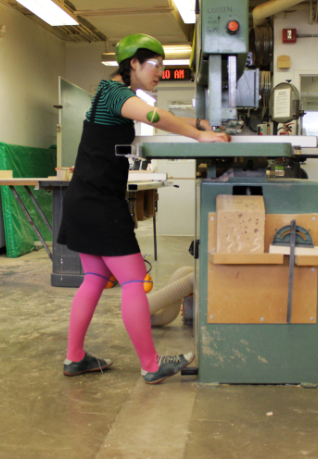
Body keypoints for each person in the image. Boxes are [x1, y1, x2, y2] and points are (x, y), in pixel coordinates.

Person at [57, 34, 229, 385]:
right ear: (133, 63)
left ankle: (75, 358)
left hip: (85, 199)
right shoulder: (116, 95)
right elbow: (154, 116)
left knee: (94, 278)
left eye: (163, 67)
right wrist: (200, 137)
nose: (160, 73)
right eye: (155, 65)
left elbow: (157, 112)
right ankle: (151, 365)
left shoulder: (111, 94)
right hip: (100, 202)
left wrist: (197, 124)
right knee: (134, 277)